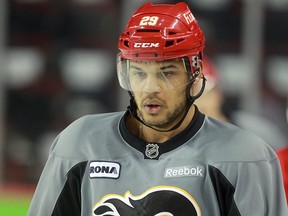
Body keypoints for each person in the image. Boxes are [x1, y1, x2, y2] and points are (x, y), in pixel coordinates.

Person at [27, 2, 287, 215]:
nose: (151, 88)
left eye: (167, 73)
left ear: (194, 76)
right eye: (139, 73)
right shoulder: (78, 144)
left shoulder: (245, 155)